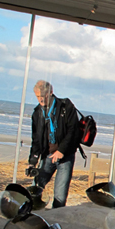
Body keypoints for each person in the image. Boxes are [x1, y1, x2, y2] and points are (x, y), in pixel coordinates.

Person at [28, 80, 80, 208]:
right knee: (36, 187)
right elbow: (36, 139)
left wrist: (61, 150)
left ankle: (56, 219)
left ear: (51, 93)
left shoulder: (65, 106)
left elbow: (73, 130)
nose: (41, 100)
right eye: (38, 97)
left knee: (60, 195)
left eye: (43, 96)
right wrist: (32, 161)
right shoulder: (37, 113)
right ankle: (34, 212)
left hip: (65, 155)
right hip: (48, 155)